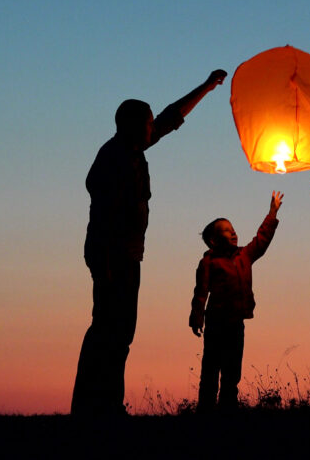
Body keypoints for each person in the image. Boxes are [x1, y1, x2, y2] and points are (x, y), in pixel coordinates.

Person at [71, 69, 227, 417]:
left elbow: (171, 118)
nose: (152, 127)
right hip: (113, 256)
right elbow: (105, 214)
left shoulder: (131, 149)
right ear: (131, 126)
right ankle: (95, 405)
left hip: (126, 255)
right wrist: (108, 261)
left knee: (119, 330)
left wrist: (206, 86)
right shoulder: (113, 159)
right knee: (108, 329)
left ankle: (104, 403)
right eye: (147, 122)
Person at [189, 191, 284, 412]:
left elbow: (262, 240)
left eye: (232, 229)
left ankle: (227, 409)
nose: (232, 232)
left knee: (232, 371)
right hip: (215, 323)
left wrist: (272, 213)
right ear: (213, 240)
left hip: (236, 323)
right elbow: (200, 292)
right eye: (225, 230)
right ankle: (206, 410)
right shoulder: (208, 262)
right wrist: (197, 317)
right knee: (211, 369)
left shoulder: (244, 256)